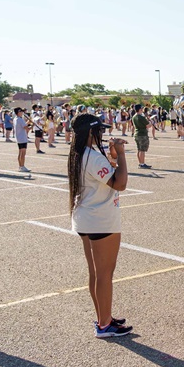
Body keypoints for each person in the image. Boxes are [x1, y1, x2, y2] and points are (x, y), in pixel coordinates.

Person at [68, 113, 133, 338]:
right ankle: (105, 324)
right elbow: (120, 183)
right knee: (104, 274)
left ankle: (103, 317)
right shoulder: (92, 157)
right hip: (101, 220)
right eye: (100, 131)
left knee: (96, 273)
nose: (103, 134)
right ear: (91, 132)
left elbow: (105, 175)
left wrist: (112, 157)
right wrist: (122, 156)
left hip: (86, 218)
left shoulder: (80, 154)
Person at [131, 104, 151, 169]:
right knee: (142, 150)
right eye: (141, 109)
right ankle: (142, 163)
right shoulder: (141, 117)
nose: (142, 110)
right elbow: (148, 125)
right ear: (139, 109)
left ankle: (140, 163)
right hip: (142, 134)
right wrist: (151, 122)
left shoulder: (134, 116)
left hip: (137, 134)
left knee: (139, 149)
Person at [13, 107, 31, 173]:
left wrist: (27, 122)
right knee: (23, 153)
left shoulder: (16, 119)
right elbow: (26, 128)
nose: (22, 113)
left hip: (19, 137)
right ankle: (22, 166)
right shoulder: (20, 119)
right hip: (22, 138)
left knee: (20, 152)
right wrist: (32, 125)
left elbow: (23, 125)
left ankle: (20, 166)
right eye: (21, 111)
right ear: (18, 112)